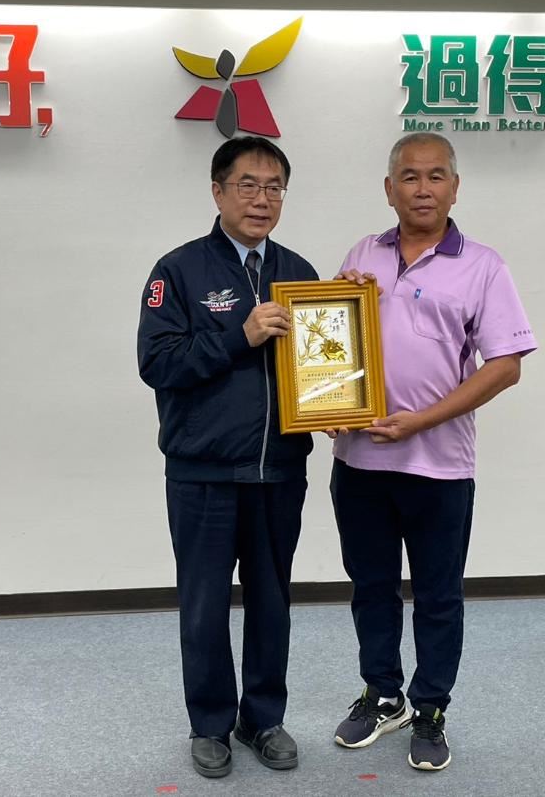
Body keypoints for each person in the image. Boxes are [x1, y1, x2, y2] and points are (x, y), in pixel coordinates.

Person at [329, 132, 538, 771]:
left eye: (436, 176)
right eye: (410, 177)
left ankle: (431, 708)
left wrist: (422, 421)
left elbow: (505, 366)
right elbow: (331, 338)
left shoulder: (484, 266)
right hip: (360, 463)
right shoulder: (363, 253)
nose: (423, 189)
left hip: (440, 466)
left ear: (455, 187)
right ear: (389, 189)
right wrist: (329, 400)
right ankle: (382, 694)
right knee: (370, 587)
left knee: (438, 595)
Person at [137, 136, 319, 779]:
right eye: (247, 185)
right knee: (205, 605)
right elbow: (157, 363)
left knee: (272, 602)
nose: (261, 199)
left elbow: (320, 366)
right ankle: (210, 724)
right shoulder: (178, 270)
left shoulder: (300, 273)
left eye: (274, 187)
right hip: (204, 474)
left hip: (279, 471)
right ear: (217, 191)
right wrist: (238, 336)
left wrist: (338, 402)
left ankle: (262, 718)